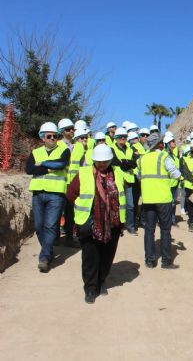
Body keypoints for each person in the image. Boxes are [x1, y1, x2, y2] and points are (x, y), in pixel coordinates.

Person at [66, 145, 126, 303]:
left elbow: (122, 194)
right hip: (89, 221)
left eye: (105, 161)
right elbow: (71, 193)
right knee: (90, 258)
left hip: (112, 223)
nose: (102, 164)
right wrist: (85, 209)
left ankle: (101, 281)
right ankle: (90, 288)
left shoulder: (117, 173)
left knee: (107, 256)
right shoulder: (84, 173)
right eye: (99, 161)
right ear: (93, 160)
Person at [26, 122, 71, 272]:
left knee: (50, 226)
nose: (53, 138)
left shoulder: (64, 150)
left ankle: (44, 257)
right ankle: (49, 250)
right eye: (49, 136)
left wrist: (43, 165)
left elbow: (61, 164)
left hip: (56, 194)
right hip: (38, 193)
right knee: (39, 227)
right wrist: (50, 167)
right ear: (42, 137)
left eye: (55, 136)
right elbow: (29, 169)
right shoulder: (35, 152)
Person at [138, 133, 181, 269]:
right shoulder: (163, 156)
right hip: (163, 199)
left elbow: (139, 176)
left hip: (148, 199)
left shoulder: (142, 158)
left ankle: (150, 261)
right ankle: (166, 261)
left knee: (149, 230)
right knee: (165, 230)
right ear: (159, 144)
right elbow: (175, 173)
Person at [111, 127, 139, 235]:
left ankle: (130, 226)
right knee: (117, 205)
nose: (123, 138)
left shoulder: (130, 149)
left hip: (129, 180)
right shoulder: (111, 148)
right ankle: (118, 226)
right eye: (121, 137)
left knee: (130, 205)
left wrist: (124, 162)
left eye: (125, 137)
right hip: (117, 181)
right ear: (117, 138)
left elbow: (134, 162)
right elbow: (115, 161)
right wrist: (127, 163)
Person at [164, 133, 180, 225]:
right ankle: (166, 220)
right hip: (167, 184)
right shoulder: (165, 155)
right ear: (168, 143)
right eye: (173, 141)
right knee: (167, 204)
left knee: (173, 203)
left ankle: (172, 220)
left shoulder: (173, 156)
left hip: (175, 183)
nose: (175, 142)